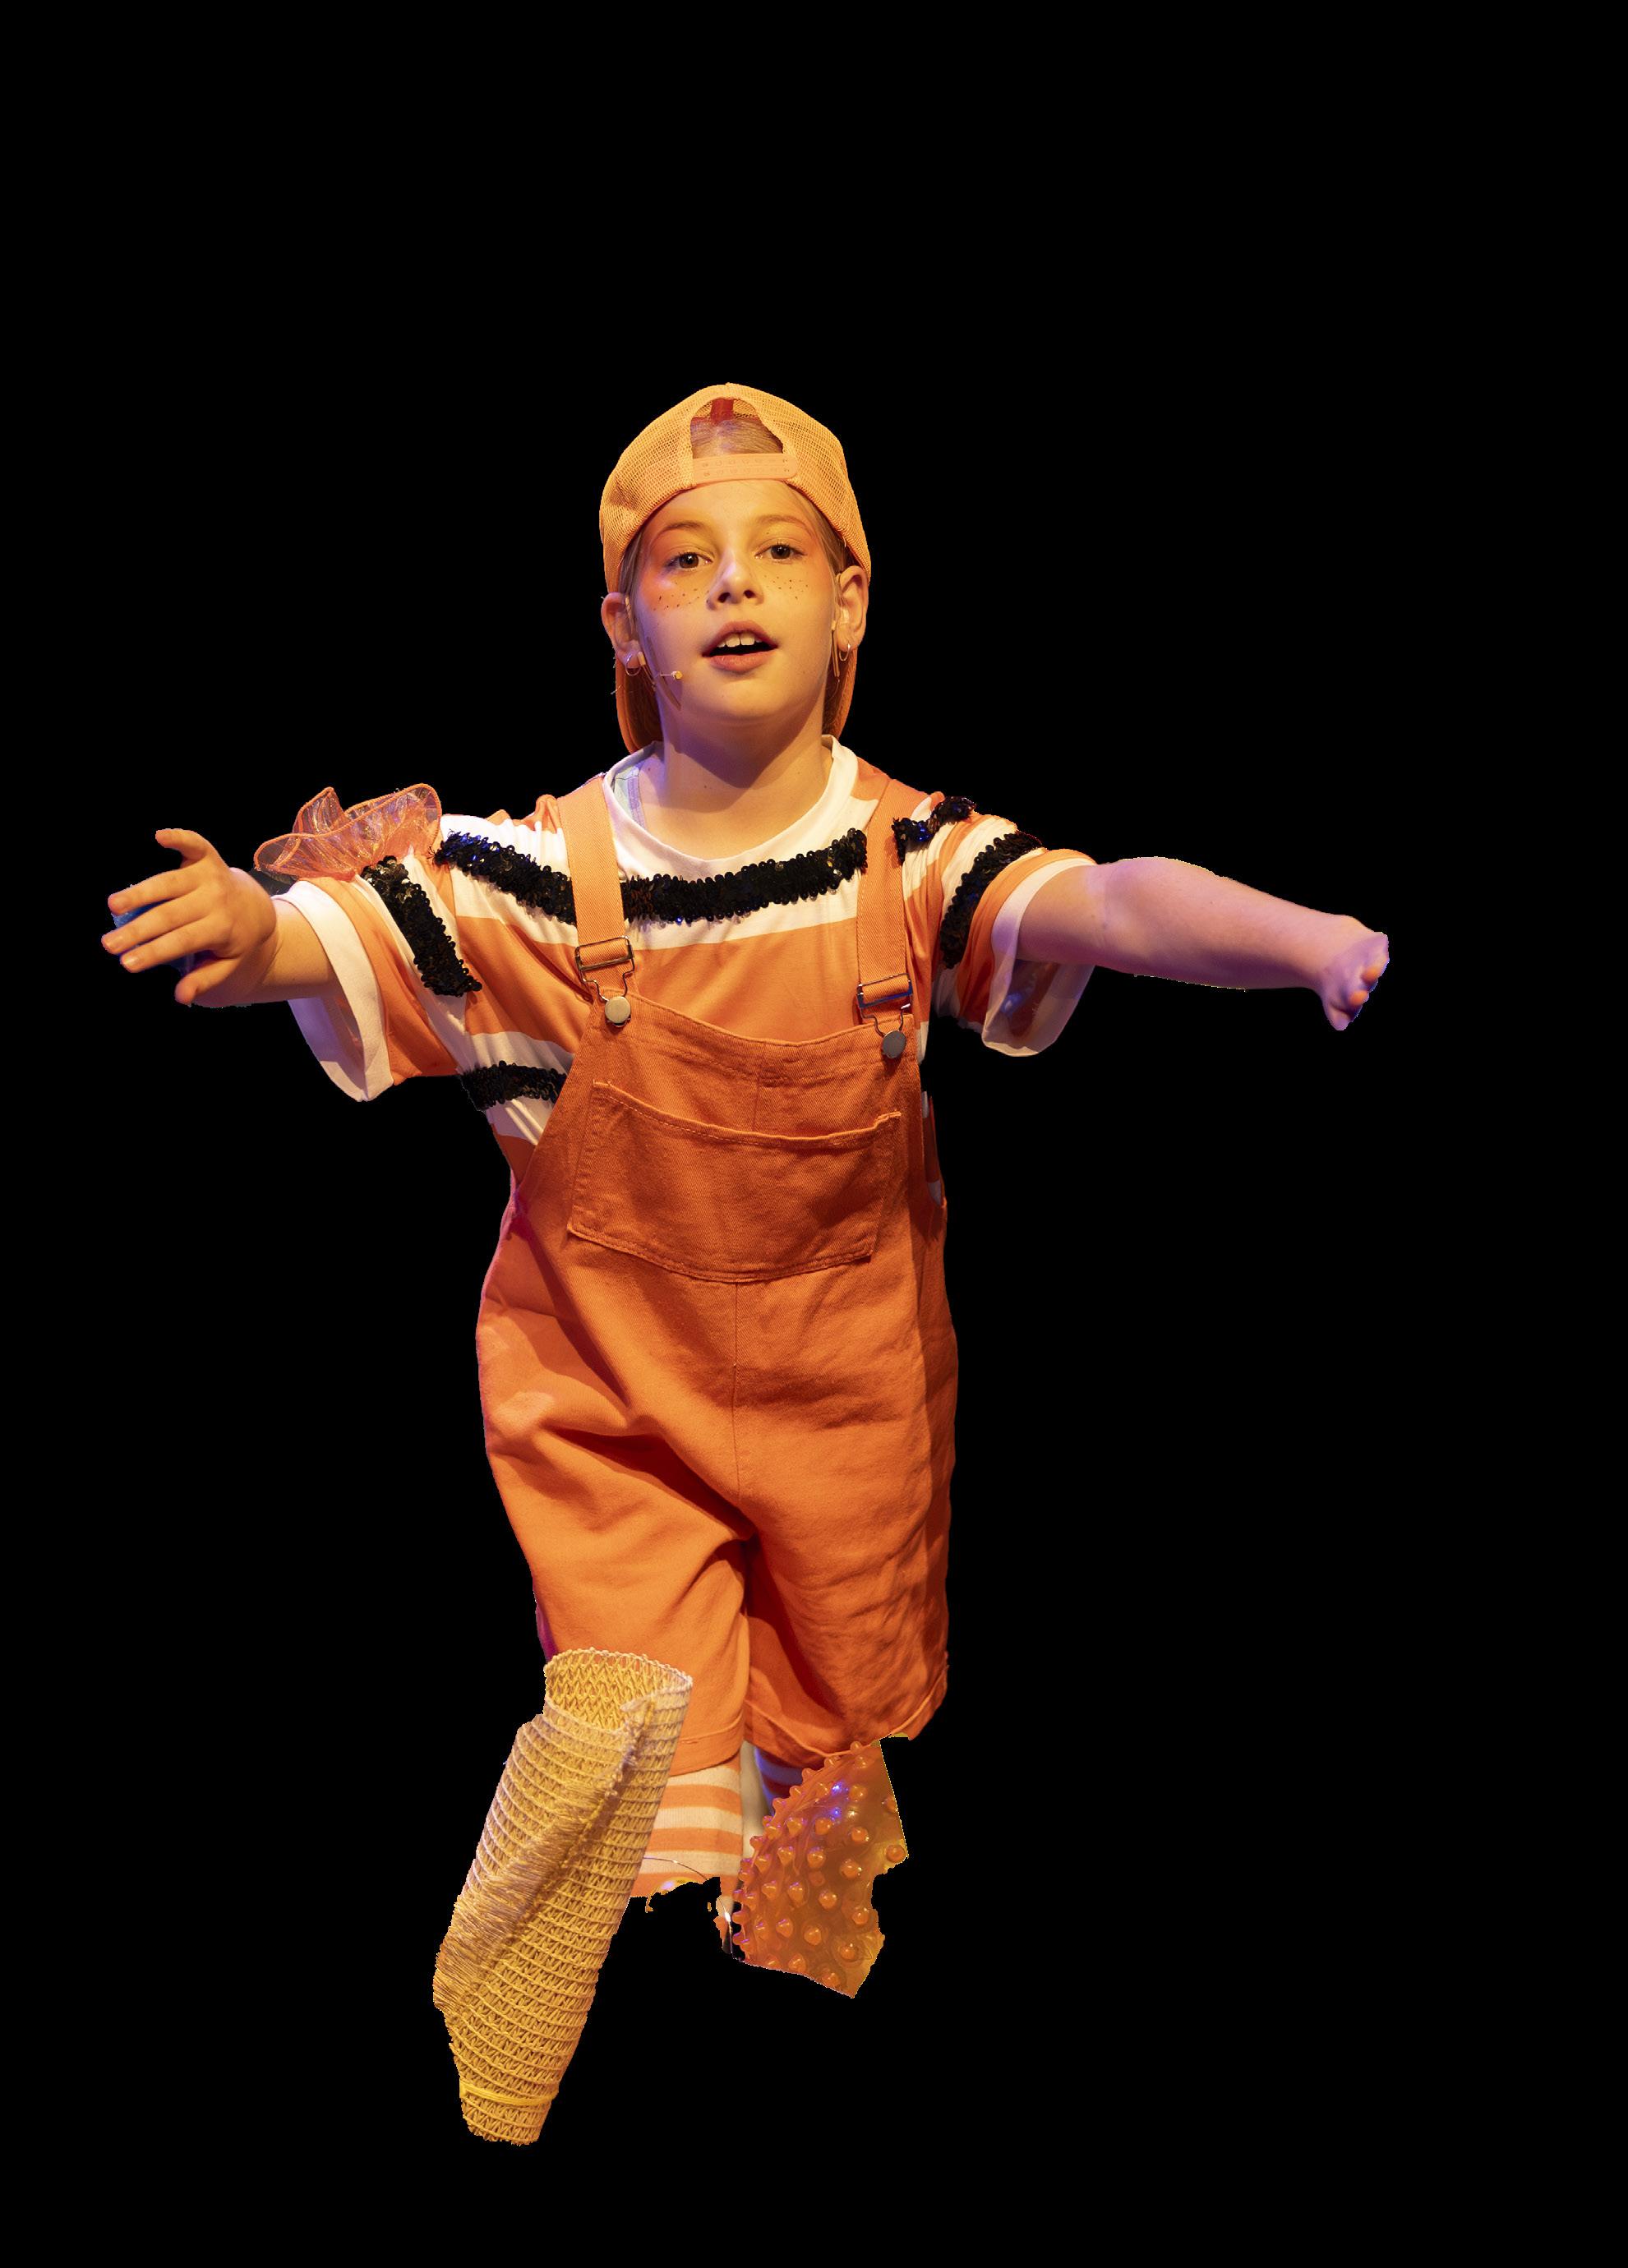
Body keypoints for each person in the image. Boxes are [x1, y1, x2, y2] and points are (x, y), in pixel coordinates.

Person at [102, 379, 1390, 1991]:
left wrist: (1306, 944)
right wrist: (250, 935)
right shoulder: (533, 877)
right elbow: (324, 940)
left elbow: (1116, 905)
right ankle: (533, 2023)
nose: (732, 583)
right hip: (613, 1413)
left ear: (847, 601)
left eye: (779, 550)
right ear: (626, 626)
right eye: (685, 559)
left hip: (849, 1419)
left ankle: (795, 1988)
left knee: (826, 1767)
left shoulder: (909, 860)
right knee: (638, 1760)